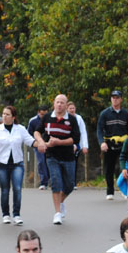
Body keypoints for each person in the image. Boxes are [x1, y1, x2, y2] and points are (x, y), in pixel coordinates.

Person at [33, 94, 80, 225]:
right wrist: (41, 141)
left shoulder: (71, 119)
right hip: (51, 156)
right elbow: (37, 132)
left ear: (66, 105)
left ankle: (61, 201)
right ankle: (57, 213)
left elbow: (75, 139)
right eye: (57, 102)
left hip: (68, 156)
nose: (59, 105)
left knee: (69, 185)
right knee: (55, 182)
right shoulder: (47, 117)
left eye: (62, 102)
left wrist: (59, 142)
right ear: (54, 104)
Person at [0, 106, 39, 225]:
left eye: (7, 114)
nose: (4, 116)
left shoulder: (20, 129)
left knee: (17, 189)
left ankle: (16, 214)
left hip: (17, 164)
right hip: (2, 164)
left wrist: (42, 144)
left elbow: (30, 141)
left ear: (13, 117)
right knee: (5, 190)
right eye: (3, 114)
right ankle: (5, 214)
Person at [96, 91, 128, 200]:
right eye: (113, 97)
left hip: (123, 144)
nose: (115, 99)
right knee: (109, 168)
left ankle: (124, 190)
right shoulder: (105, 113)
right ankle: (110, 191)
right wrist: (101, 142)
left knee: (123, 167)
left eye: (117, 97)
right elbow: (99, 129)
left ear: (121, 99)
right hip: (109, 143)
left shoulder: (126, 114)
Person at [27, 105, 50, 190]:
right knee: (41, 162)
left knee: (50, 161)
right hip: (38, 145)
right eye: (42, 114)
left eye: (45, 114)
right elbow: (28, 133)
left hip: (50, 144)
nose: (43, 116)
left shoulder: (51, 119)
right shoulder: (33, 121)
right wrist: (35, 142)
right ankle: (43, 182)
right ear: (38, 112)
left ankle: (50, 178)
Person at [67, 102, 89, 189]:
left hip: (76, 144)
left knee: (74, 163)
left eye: (73, 108)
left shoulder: (79, 118)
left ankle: (73, 182)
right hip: (66, 144)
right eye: (70, 108)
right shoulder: (64, 118)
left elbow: (83, 132)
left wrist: (85, 146)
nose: (72, 110)